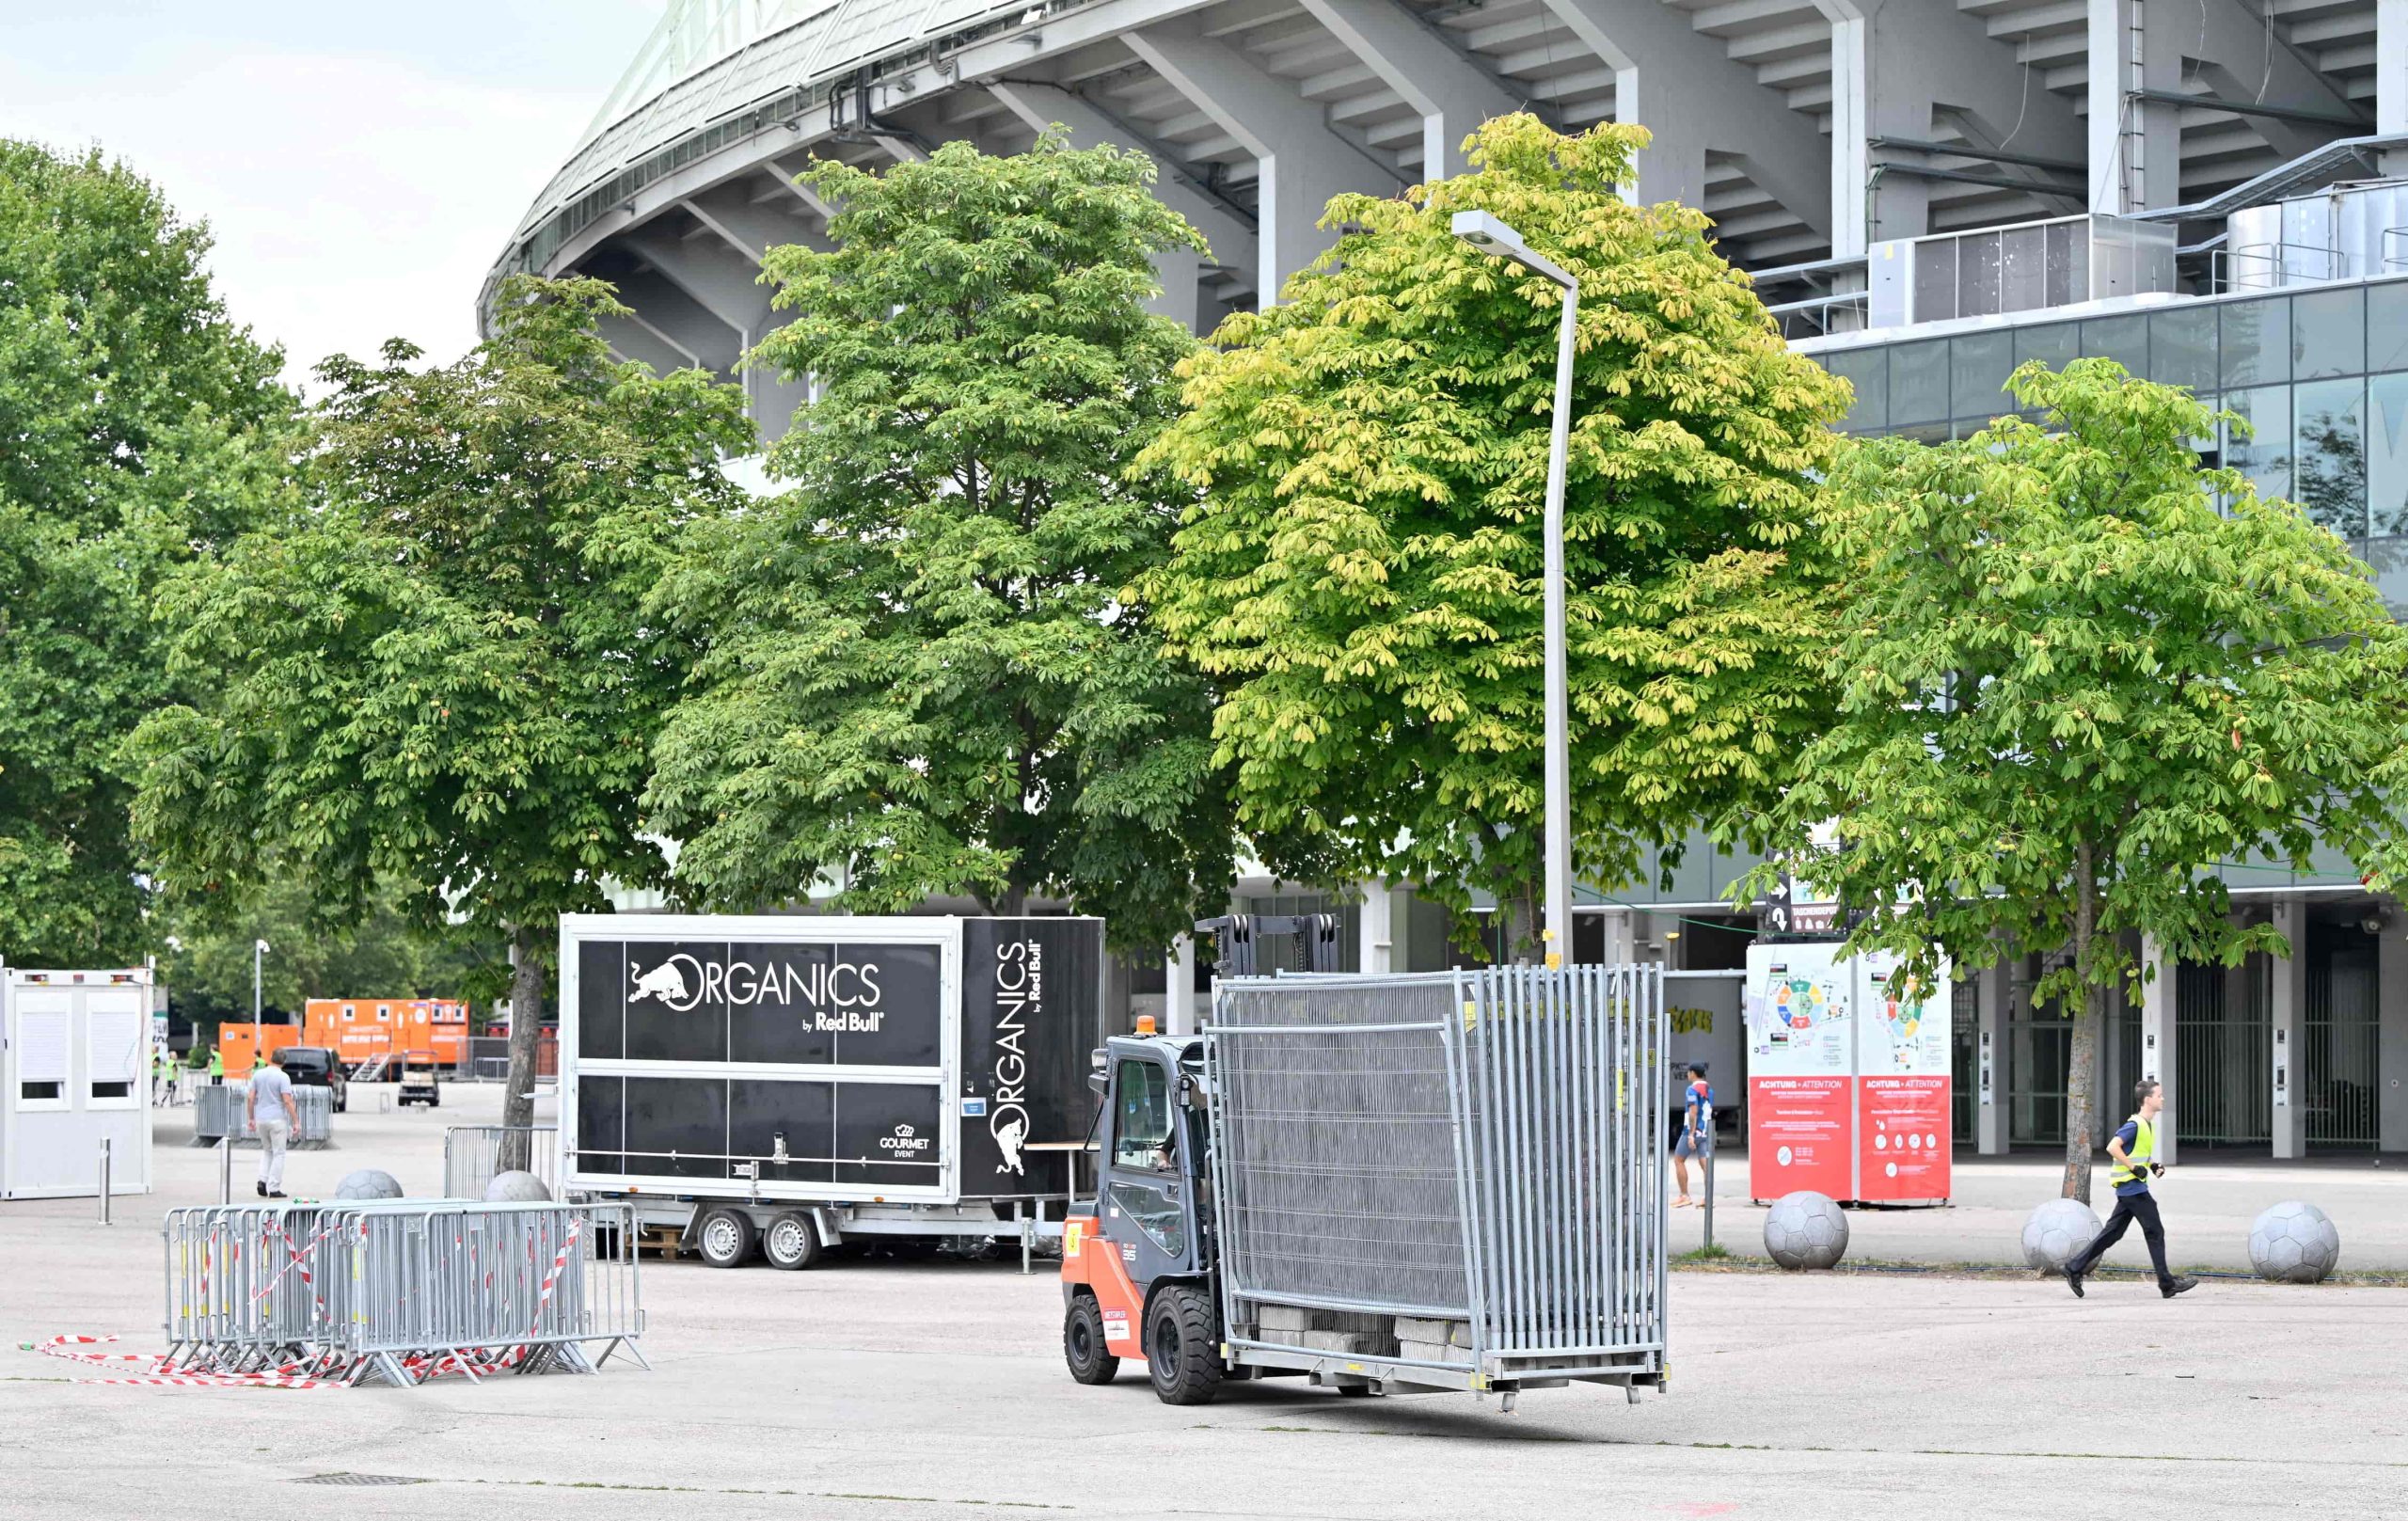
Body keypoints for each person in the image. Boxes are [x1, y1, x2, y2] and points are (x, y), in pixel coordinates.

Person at [2065, 1077, 2197, 1299]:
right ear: (2148, 1100)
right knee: (2155, 1231)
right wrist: (2134, 1168)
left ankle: (2074, 1267)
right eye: (2159, 1095)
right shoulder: (2134, 1124)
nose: (2162, 1098)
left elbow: (2138, 1152)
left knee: (2113, 1233)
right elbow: (2112, 1147)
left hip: (2131, 1189)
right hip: (2132, 1188)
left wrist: (2152, 1165)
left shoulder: (2146, 1125)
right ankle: (2166, 1283)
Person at [246, 1055, 298, 1199]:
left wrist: (251, 1118)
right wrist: (296, 1121)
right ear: (284, 1061)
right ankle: (274, 1187)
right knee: (279, 1153)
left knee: (267, 1151)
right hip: (277, 1120)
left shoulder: (258, 1074)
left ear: (270, 1058)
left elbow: (250, 1098)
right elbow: (287, 1101)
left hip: (261, 1119)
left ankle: (262, 1180)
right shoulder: (283, 1077)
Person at [1671, 1062, 1713, 1209]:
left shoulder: (1692, 1089)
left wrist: (1690, 1134)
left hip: (1693, 1131)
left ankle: (1684, 1195)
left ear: (1693, 1073)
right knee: (1706, 1165)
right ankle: (1708, 1198)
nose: (1688, 1075)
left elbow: (1693, 1111)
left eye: (1689, 1072)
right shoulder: (1709, 1088)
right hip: (1706, 1131)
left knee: (1678, 1160)